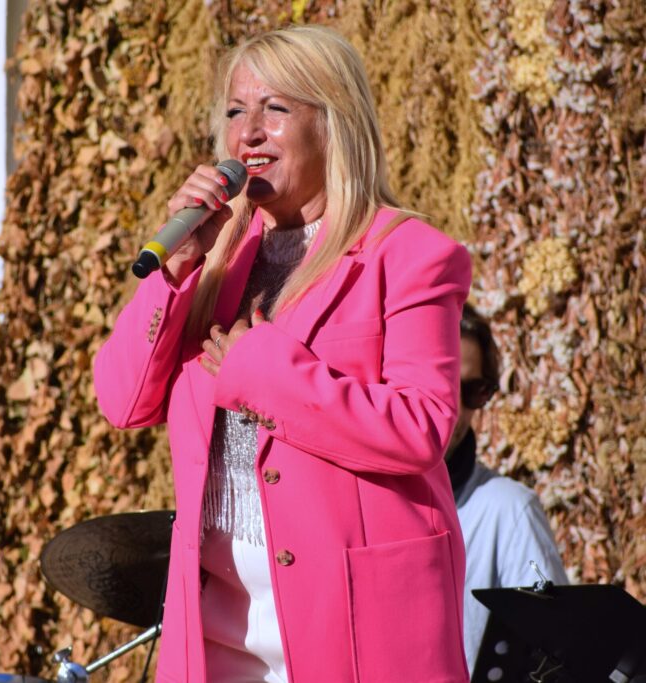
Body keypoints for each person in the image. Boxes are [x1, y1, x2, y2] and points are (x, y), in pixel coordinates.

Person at [94, 25, 471, 682]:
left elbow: (421, 426)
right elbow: (122, 401)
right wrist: (176, 272)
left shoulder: (410, 255)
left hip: (352, 620)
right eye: (235, 112)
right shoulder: (217, 259)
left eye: (275, 109)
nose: (249, 133)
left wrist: (264, 372)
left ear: (334, 123)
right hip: (216, 628)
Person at [447, 304, 567, 672]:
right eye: (442, 384)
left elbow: (557, 657)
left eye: (473, 391)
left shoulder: (509, 511)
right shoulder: (352, 504)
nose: (454, 409)